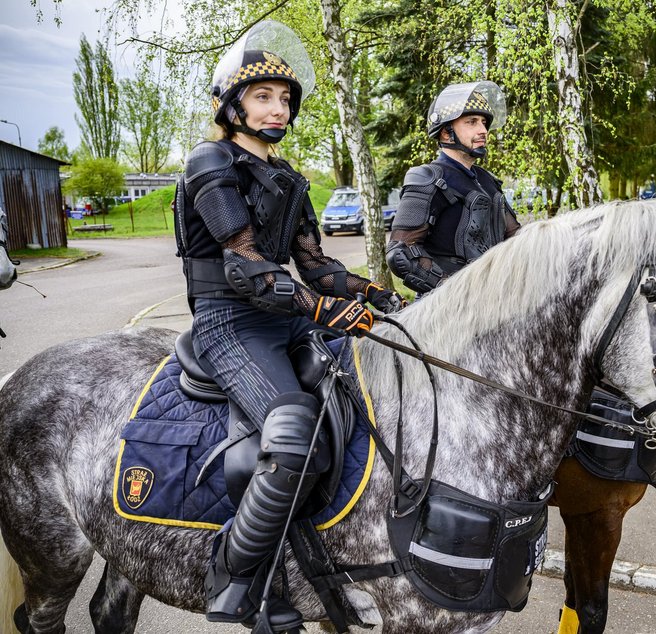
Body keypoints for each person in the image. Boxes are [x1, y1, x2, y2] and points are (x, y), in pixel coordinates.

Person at [174, 20, 404, 631]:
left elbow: (315, 265)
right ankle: (234, 570)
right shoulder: (209, 161)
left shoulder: (291, 177)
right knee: (296, 429)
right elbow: (246, 268)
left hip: (285, 316)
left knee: (376, 397)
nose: (277, 109)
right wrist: (323, 310)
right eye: (261, 97)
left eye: (284, 99)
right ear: (231, 105)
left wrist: (378, 295)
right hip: (231, 322)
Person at [385, 81, 520, 294]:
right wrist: (454, 292)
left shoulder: (487, 180)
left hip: (497, 301)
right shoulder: (427, 177)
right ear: (446, 133)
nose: (483, 130)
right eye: (472, 122)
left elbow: (515, 237)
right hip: (447, 312)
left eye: (484, 123)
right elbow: (401, 252)